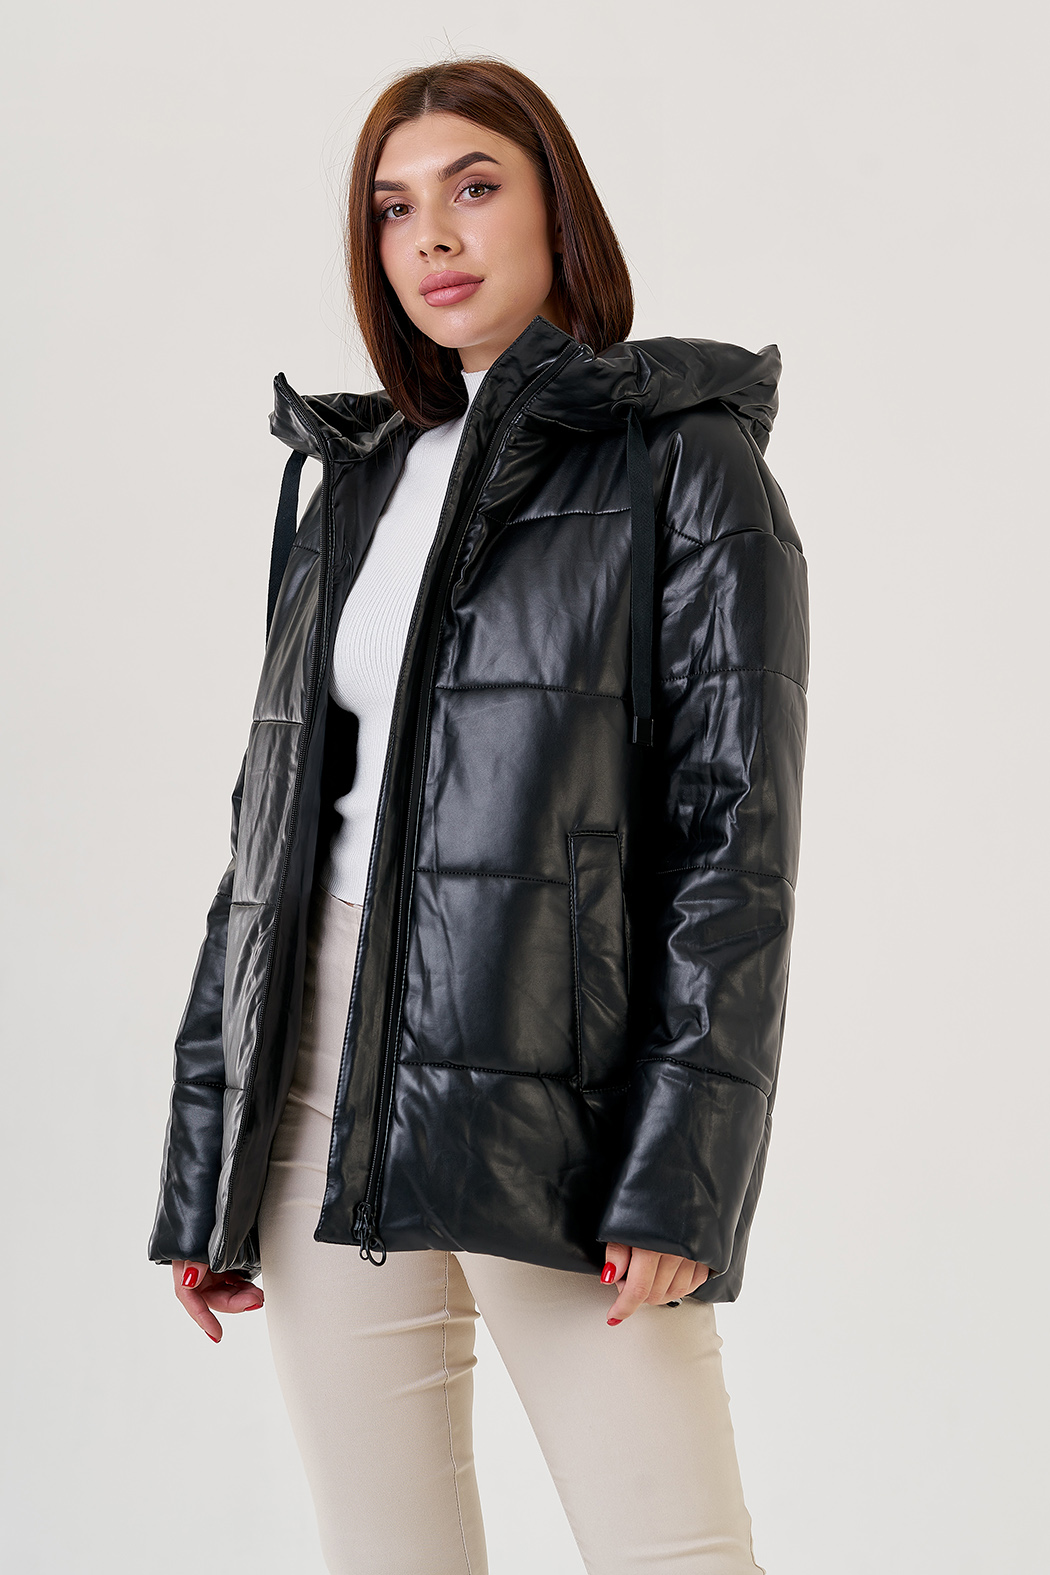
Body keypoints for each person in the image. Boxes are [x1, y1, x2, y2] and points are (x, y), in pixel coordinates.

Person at [148, 55, 808, 1575]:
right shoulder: (355, 480)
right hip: (316, 1073)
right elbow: (267, 841)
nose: (432, 236)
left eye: (473, 187)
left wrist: (680, 1170)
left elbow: (734, 844)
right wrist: (210, 1164)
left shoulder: (685, 463)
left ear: (555, 208)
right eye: (393, 209)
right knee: (388, 1553)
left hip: (555, 1093)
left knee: (672, 1548)